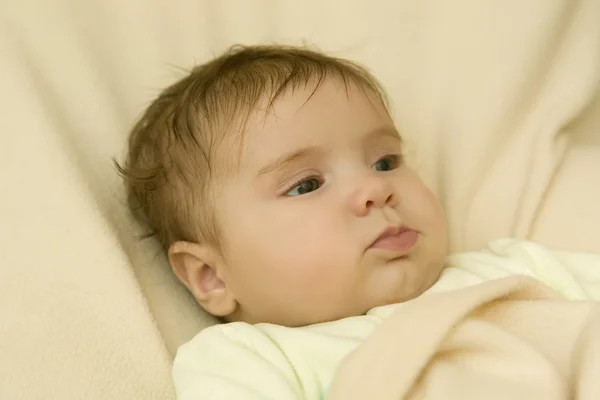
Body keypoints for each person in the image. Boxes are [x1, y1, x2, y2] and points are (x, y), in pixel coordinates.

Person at [117, 45, 600, 399]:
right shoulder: (250, 358)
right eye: (306, 185)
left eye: (386, 161)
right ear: (211, 275)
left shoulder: (512, 271)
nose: (375, 188)